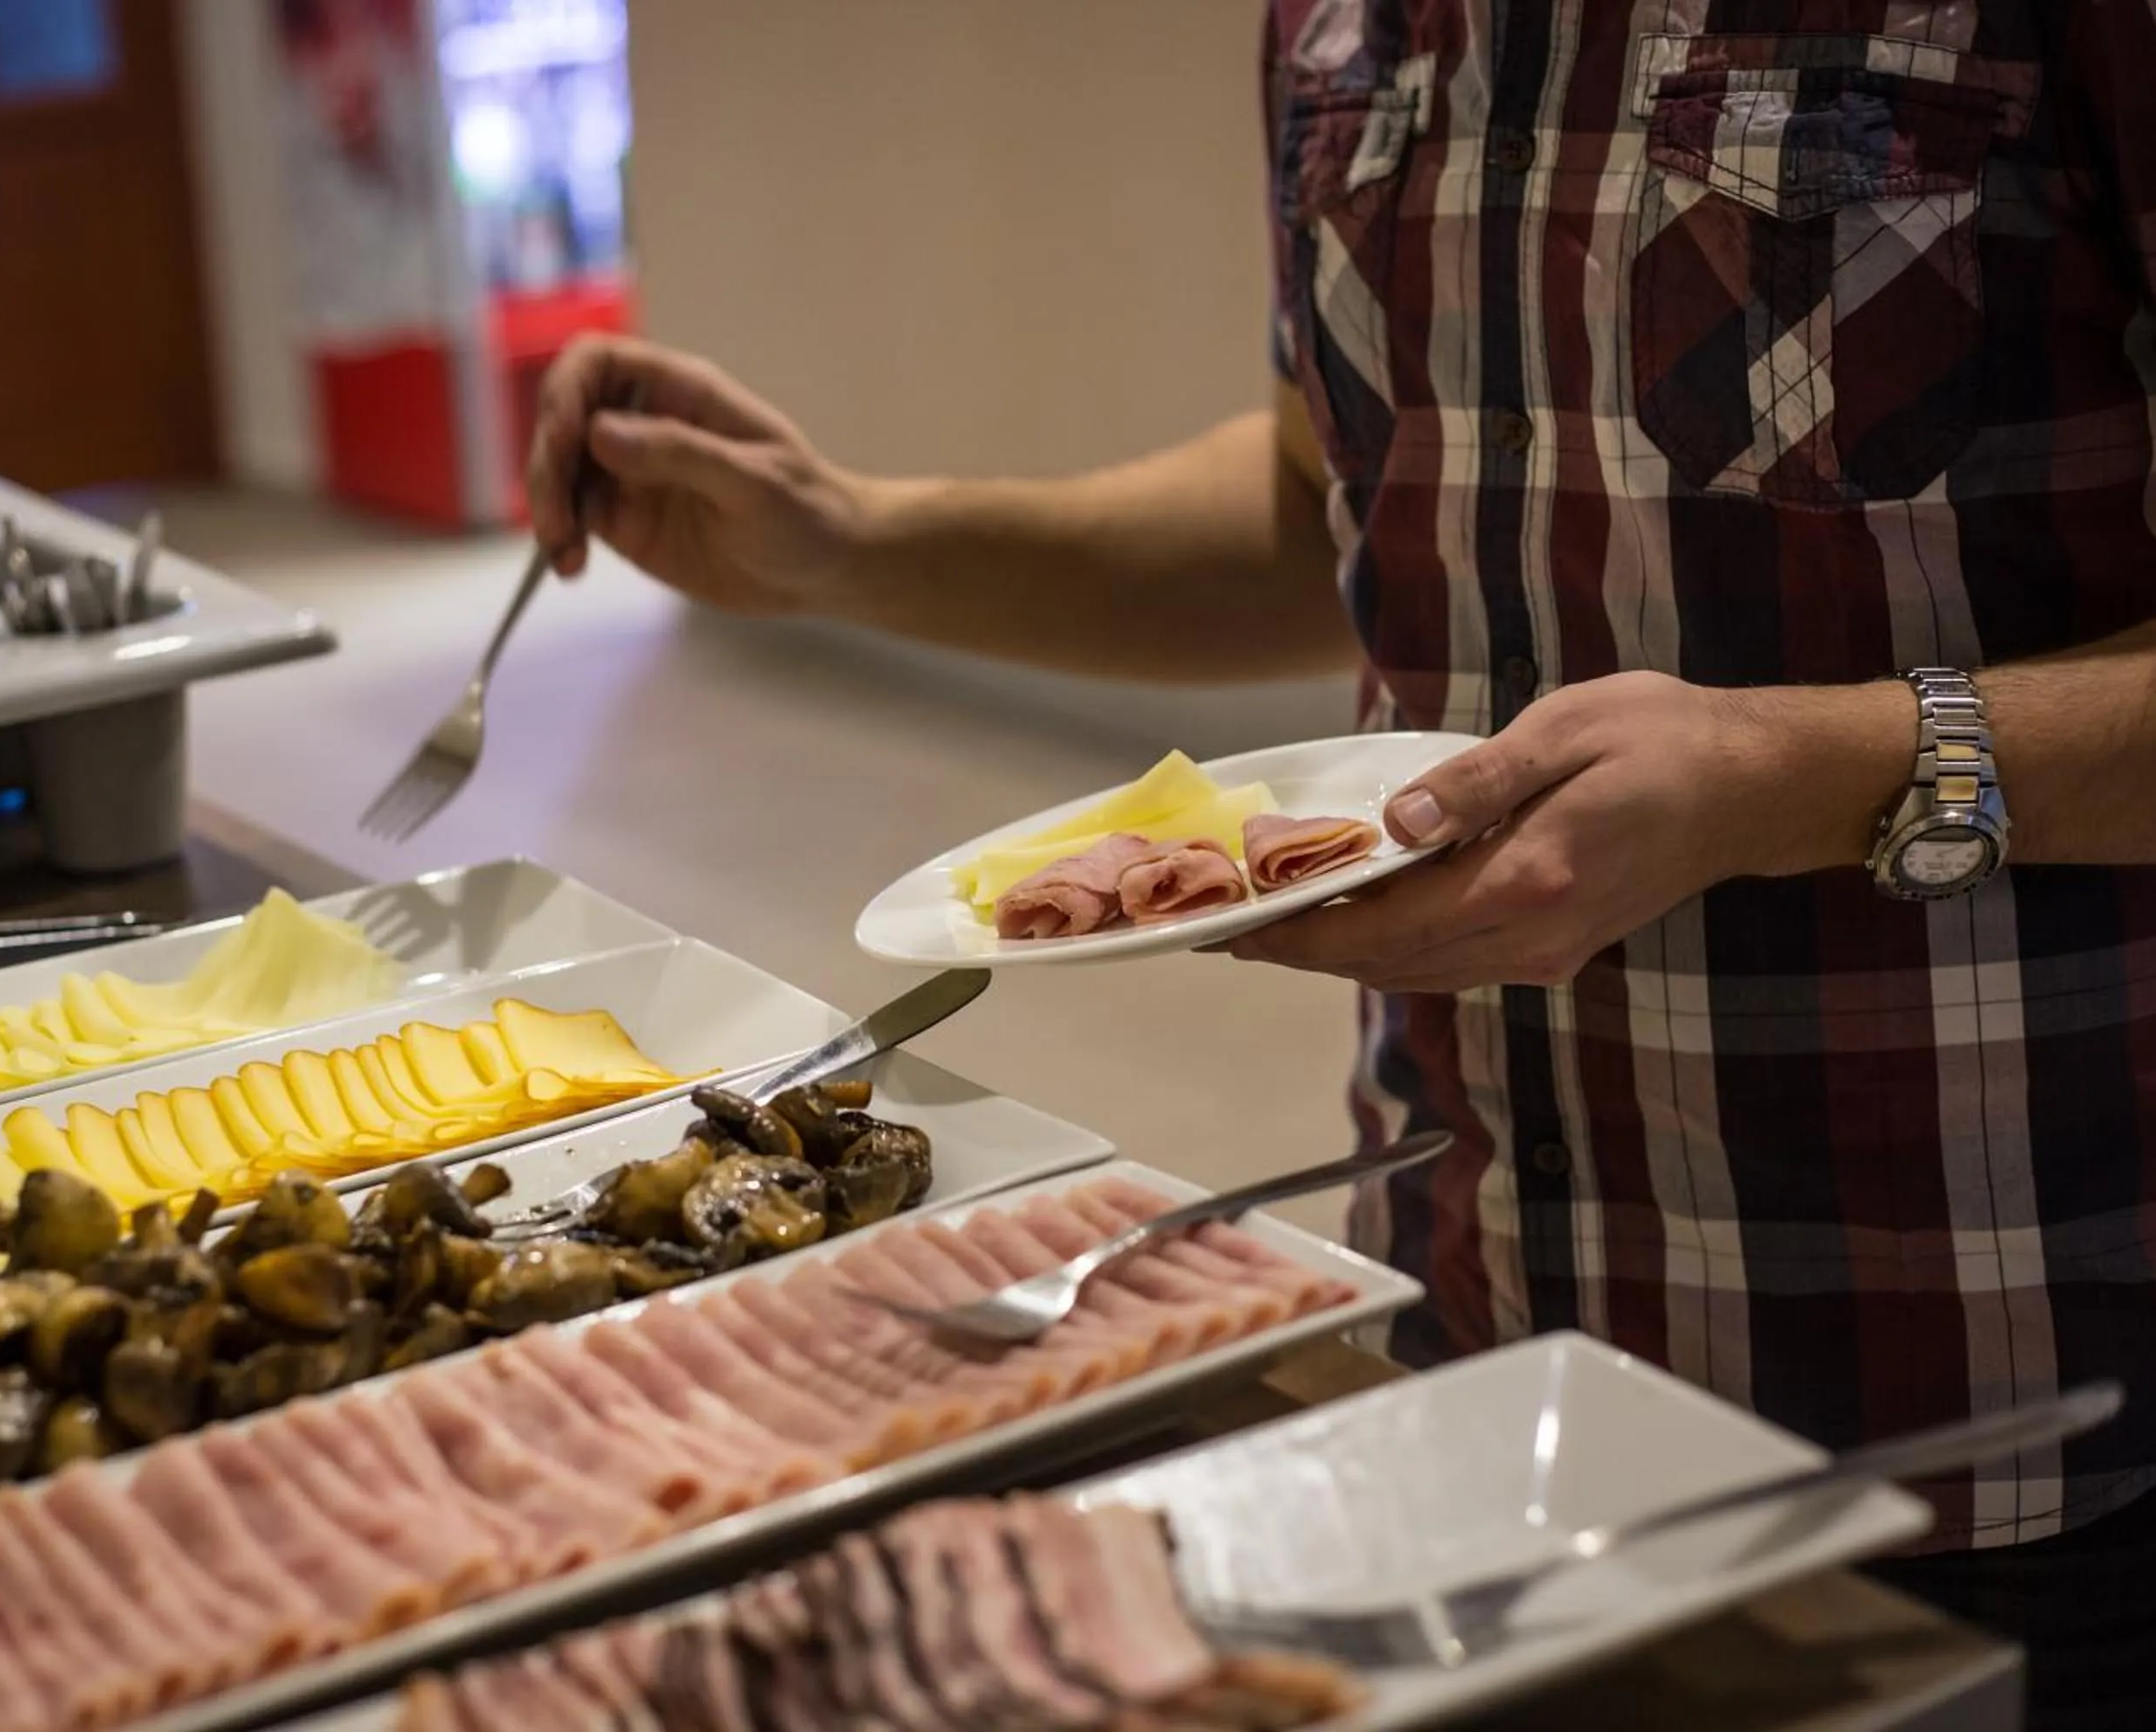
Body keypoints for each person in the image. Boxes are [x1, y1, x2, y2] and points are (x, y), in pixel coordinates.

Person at [524, 5, 2156, 1725]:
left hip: (1993, 1391)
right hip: (1464, 1332)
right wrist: (849, 543)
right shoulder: (1342, 28)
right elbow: (1340, 499)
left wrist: (1786, 780)